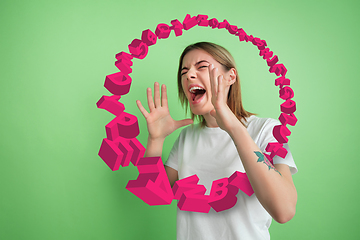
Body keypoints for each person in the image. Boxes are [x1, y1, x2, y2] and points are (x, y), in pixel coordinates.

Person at [136, 42, 297, 240]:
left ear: (230, 77)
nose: (189, 75)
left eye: (201, 66)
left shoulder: (268, 130)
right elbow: (153, 195)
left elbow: (284, 211)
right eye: (184, 71)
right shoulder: (187, 137)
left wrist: (233, 127)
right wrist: (155, 139)